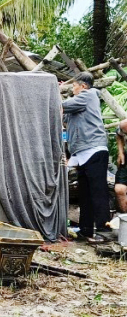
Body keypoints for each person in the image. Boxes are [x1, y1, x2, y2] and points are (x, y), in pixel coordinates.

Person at [63, 72, 111, 242]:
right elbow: (62, 113)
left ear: (83, 86)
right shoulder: (78, 104)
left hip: (94, 150)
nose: (72, 89)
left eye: (74, 86)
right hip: (83, 153)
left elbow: (61, 104)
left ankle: (104, 231)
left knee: (98, 192)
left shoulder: (89, 95)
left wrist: (55, 92)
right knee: (86, 193)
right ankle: (86, 230)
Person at [115, 119, 127, 214]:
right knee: (119, 189)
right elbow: (118, 134)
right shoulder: (124, 125)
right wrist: (120, 152)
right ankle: (125, 217)